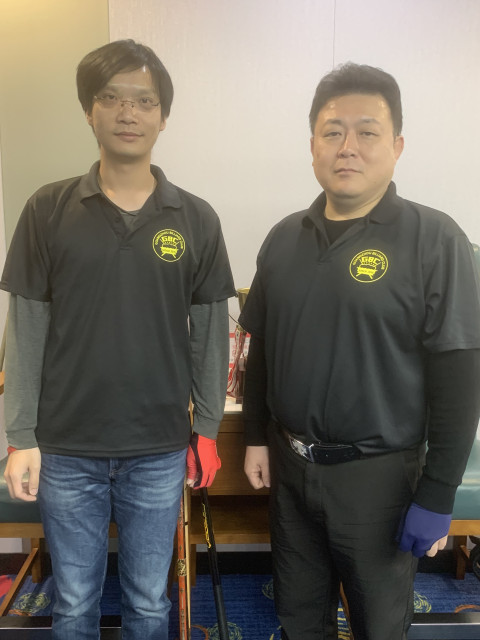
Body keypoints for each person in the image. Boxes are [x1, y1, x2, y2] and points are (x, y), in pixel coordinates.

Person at [1, 39, 235, 640]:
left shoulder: (196, 218)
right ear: (89, 110)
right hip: (66, 447)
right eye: (111, 98)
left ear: (163, 116)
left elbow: (211, 336)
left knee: (150, 603)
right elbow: (25, 330)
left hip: (158, 447)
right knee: (74, 602)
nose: (129, 112)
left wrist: (208, 429)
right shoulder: (47, 209)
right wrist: (20, 436)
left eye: (144, 101)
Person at [240, 63, 480, 640]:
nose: (347, 146)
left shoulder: (435, 239)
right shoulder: (283, 238)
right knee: (299, 618)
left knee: (379, 626)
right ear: (313, 146)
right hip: (291, 470)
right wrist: (254, 436)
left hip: (381, 480)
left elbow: (460, 376)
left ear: (396, 146)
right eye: (332, 131)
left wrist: (438, 494)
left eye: (367, 131)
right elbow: (262, 350)